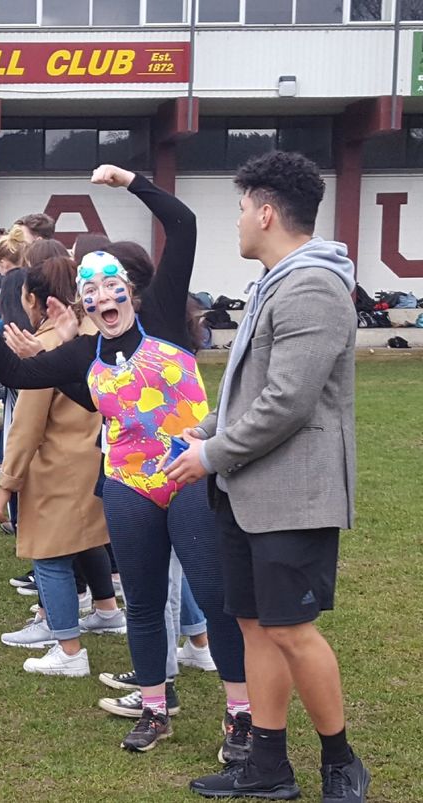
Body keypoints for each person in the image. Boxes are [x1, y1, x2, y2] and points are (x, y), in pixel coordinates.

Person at [0, 164, 249, 763]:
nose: (102, 297)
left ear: (131, 293)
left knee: (215, 595)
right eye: (90, 291)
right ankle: (154, 707)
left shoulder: (162, 319)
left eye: (111, 286)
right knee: (142, 599)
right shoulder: (85, 354)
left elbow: (183, 224)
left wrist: (132, 181)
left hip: (190, 475)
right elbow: (15, 374)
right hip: (127, 486)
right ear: (82, 302)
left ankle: (241, 715)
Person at [173, 153, 367, 801]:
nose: (235, 222)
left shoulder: (311, 287)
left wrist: (211, 455)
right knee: (255, 625)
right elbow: (248, 391)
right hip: (247, 489)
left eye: (239, 209)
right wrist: (204, 433)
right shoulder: (274, 282)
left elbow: (288, 402)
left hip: (293, 494)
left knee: (289, 628)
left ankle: (341, 761)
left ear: (265, 212)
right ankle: (267, 765)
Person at [0, 255, 126, 677]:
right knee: (87, 540)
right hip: (96, 456)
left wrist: (7, 482)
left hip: (57, 463)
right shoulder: (95, 334)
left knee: (48, 554)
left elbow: (28, 424)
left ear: (34, 299)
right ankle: (106, 611)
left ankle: (67, 646)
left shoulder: (47, 343)